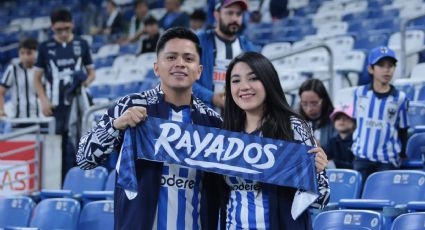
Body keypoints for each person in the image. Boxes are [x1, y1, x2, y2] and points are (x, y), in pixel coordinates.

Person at [76, 27, 222, 229]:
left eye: (188, 59)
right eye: (171, 57)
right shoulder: (129, 106)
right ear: (156, 68)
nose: (179, 64)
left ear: (199, 71)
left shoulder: (213, 122)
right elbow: (84, 159)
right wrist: (115, 126)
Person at [221, 52, 330, 229]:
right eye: (235, 80)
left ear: (268, 81)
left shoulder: (294, 126)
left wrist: (316, 173)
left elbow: (322, 199)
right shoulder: (226, 132)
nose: (244, 87)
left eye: (253, 78)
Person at [34, 8, 96, 179]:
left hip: (78, 104)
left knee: (82, 141)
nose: (63, 33)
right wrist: (44, 101)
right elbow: (37, 78)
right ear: (52, 28)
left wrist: (85, 81)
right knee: (60, 147)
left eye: (66, 29)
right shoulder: (45, 47)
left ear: (72, 25)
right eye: (58, 30)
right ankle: (63, 182)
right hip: (56, 105)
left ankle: (83, 179)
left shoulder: (82, 44)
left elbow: (92, 73)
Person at [352, 46, 409, 182]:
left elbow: (403, 129)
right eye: (381, 65)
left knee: (384, 199)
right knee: (358, 200)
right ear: (371, 69)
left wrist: (401, 154)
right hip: (362, 157)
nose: (386, 69)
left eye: (390, 65)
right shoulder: (359, 93)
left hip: (387, 160)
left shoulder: (400, 98)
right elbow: (356, 123)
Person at [194, 0, 257, 110]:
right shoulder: (198, 42)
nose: (234, 19)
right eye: (229, 13)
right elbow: (183, 81)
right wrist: (211, 97)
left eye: (238, 14)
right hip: (203, 119)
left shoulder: (249, 48)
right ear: (217, 15)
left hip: (237, 120)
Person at [0, 38, 40, 119]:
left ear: (36, 53)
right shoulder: (13, 69)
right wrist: (1, 110)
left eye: (29, 53)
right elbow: (1, 91)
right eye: (22, 53)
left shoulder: (40, 70)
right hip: (17, 119)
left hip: (37, 118)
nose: (25, 57)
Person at [298, 78, 336, 148]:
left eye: (314, 103)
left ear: (323, 100)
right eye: (304, 104)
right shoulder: (295, 120)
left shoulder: (336, 120)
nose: (309, 109)